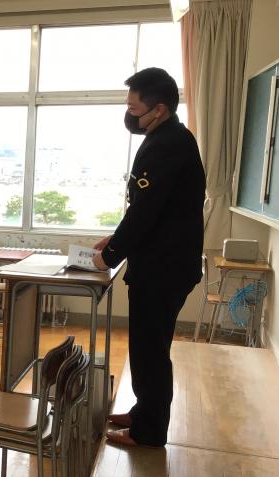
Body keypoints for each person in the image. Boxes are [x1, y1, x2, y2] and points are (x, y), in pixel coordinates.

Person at [92, 67, 205, 447]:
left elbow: (146, 211)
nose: (129, 115)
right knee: (147, 347)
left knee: (150, 351)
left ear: (158, 110)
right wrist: (116, 238)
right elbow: (150, 206)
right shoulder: (167, 138)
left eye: (134, 108)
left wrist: (110, 254)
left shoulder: (167, 144)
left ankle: (149, 432)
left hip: (163, 269)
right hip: (163, 264)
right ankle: (144, 413)